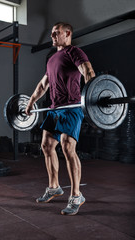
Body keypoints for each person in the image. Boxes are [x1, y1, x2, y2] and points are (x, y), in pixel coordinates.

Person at [25, 22, 95, 216]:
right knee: (46, 146)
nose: (53, 36)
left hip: (72, 108)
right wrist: (31, 102)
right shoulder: (52, 59)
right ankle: (54, 187)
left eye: (56, 33)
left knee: (67, 147)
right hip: (55, 110)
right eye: (52, 33)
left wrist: (92, 96)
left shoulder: (75, 52)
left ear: (68, 33)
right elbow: (43, 84)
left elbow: (88, 72)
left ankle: (76, 195)